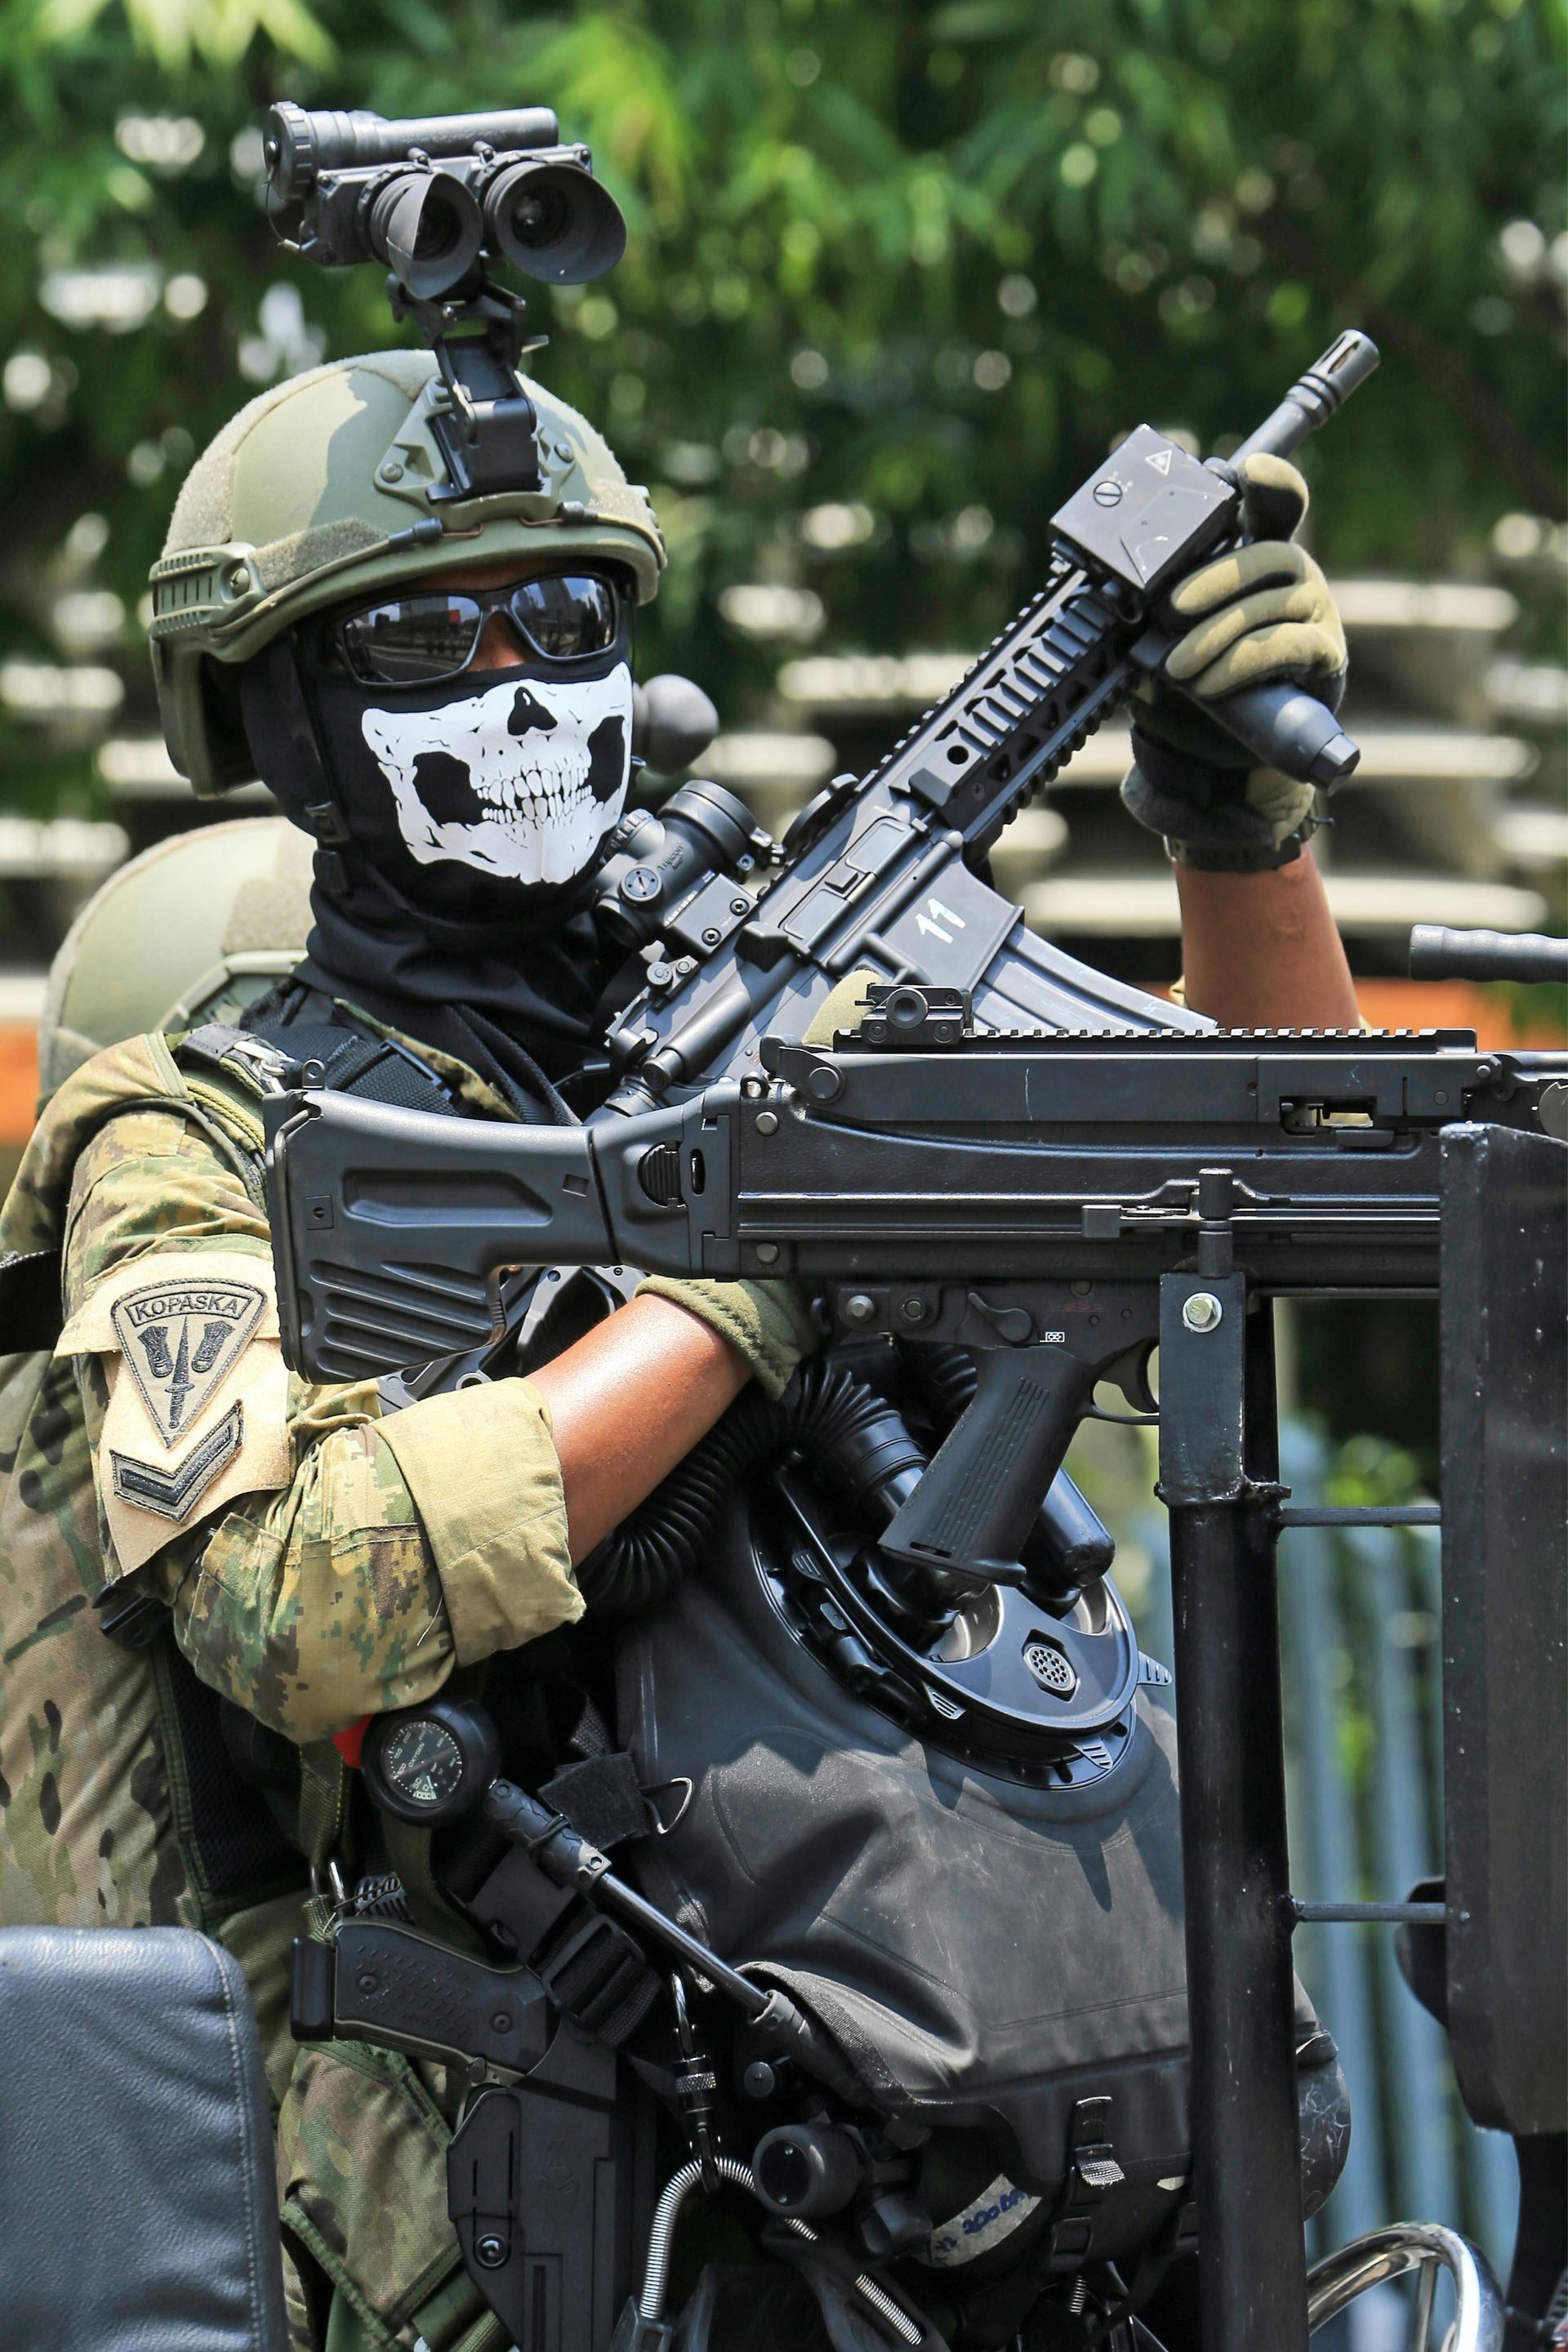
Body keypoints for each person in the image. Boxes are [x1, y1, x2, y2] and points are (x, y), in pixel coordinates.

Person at [0, 342, 1357, 2352]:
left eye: (563, 619)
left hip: (952, 2140)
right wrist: (746, 1274)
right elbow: (293, 1598)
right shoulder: (196, 1138)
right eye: (427, 639)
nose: (520, 687)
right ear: (280, 705)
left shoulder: (756, 1031)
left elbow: (1288, 1188)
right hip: (507, 2205)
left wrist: (1239, 838)